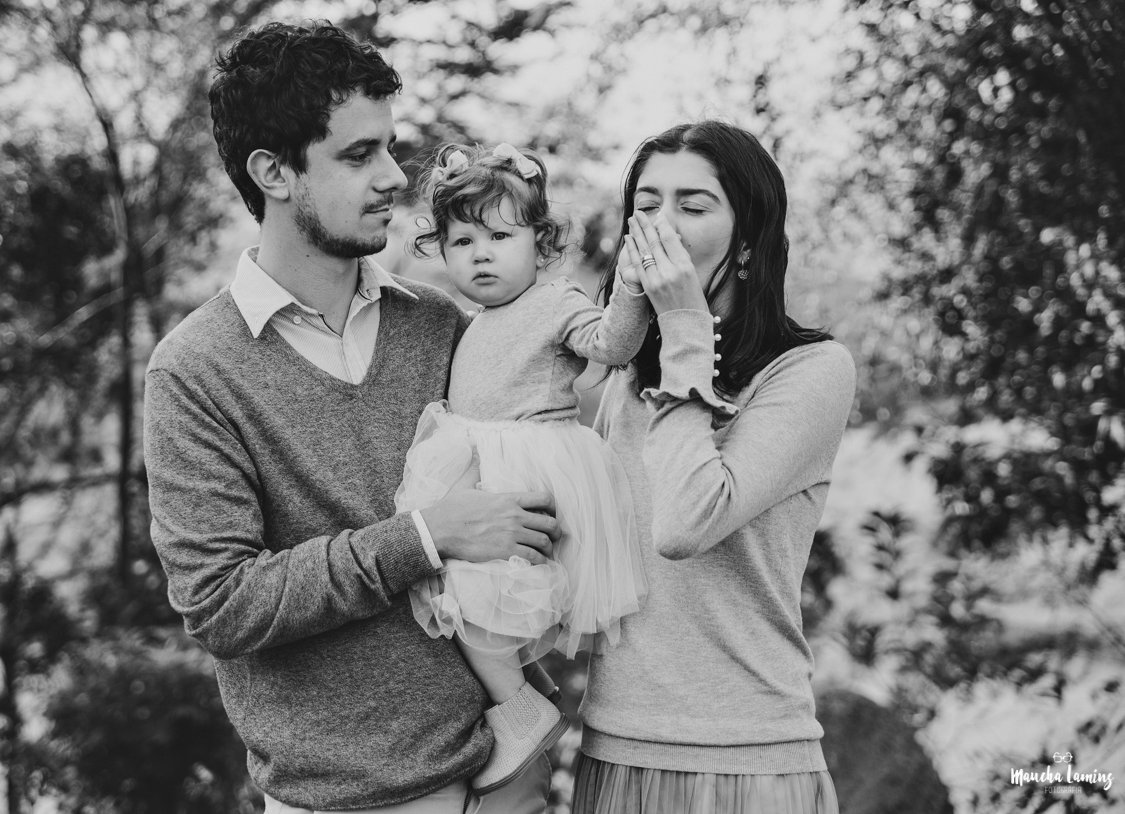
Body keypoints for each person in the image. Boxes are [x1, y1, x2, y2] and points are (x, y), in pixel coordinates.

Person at [143, 21, 562, 814]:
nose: (394, 178)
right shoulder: (194, 370)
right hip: (340, 800)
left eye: (389, 148)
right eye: (358, 154)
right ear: (273, 171)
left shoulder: (439, 325)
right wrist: (423, 537)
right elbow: (222, 603)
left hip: (502, 777)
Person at [571, 121, 856, 814]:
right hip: (613, 748)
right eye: (646, 205)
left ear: (749, 243)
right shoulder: (626, 381)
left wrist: (685, 330)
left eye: (692, 206)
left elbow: (684, 525)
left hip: (745, 760)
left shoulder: (811, 371)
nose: (661, 226)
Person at [394, 143, 649, 795]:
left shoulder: (555, 302)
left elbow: (612, 344)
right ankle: (524, 693)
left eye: (501, 237)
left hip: (529, 465)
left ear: (541, 243)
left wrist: (632, 286)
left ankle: (520, 709)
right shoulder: (470, 318)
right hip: (480, 459)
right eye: (463, 241)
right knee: (455, 583)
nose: (481, 254)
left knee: (476, 590)